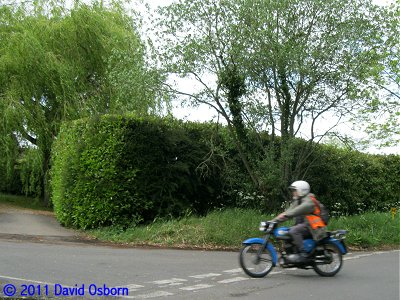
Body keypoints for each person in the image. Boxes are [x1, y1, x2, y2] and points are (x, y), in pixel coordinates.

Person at [273, 180, 327, 263]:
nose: (293, 192)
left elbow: (294, 212)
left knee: (294, 231)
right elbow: (287, 212)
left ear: (302, 190)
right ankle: (290, 254)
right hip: (307, 225)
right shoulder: (298, 200)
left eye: (295, 190)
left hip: (314, 228)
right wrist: (273, 221)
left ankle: (303, 254)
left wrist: (285, 216)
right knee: (286, 232)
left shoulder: (309, 202)